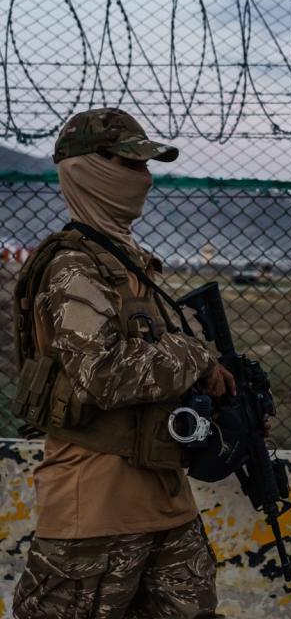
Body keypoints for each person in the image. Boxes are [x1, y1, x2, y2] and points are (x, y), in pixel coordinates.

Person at [11, 108, 235, 618]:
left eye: (147, 167)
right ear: (90, 169)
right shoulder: (72, 267)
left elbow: (157, 370)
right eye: (132, 165)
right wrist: (197, 354)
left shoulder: (129, 262)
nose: (145, 180)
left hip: (165, 503)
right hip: (94, 513)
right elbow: (104, 376)